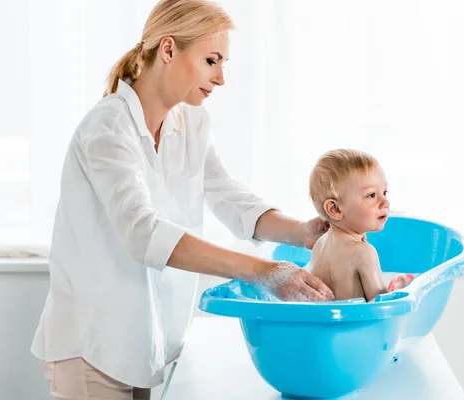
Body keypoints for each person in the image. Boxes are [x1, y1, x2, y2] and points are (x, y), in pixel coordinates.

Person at [30, 0, 334, 398]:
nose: (221, 78)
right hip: (92, 347)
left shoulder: (190, 121)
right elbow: (143, 234)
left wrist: (302, 232)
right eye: (212, 60)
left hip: (144, 343)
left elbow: (228, 196)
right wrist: (263, 271)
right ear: (169, 50)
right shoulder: (108, 128)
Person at [308, 149, 413, 302]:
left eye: (385, 192)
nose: (385, 202)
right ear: (335, 209)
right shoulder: (364, 253)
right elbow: (382, 305)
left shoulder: (319, 245)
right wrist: (399, 288)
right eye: (371, 195)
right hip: (359, 325)